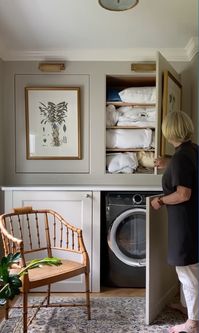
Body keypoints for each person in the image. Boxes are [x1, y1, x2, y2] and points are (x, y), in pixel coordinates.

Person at [151, 111, 199, 333]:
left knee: (187, 270)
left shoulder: (181, 157)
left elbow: (183, 194)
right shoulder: (192, 150)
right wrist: (168, 163)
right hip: (192, 220)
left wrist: (160, 200)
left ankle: (193, 323)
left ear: (169, 131)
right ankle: (186, 307)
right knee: (188, 268)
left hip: (185, 222)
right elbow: (185, 166)